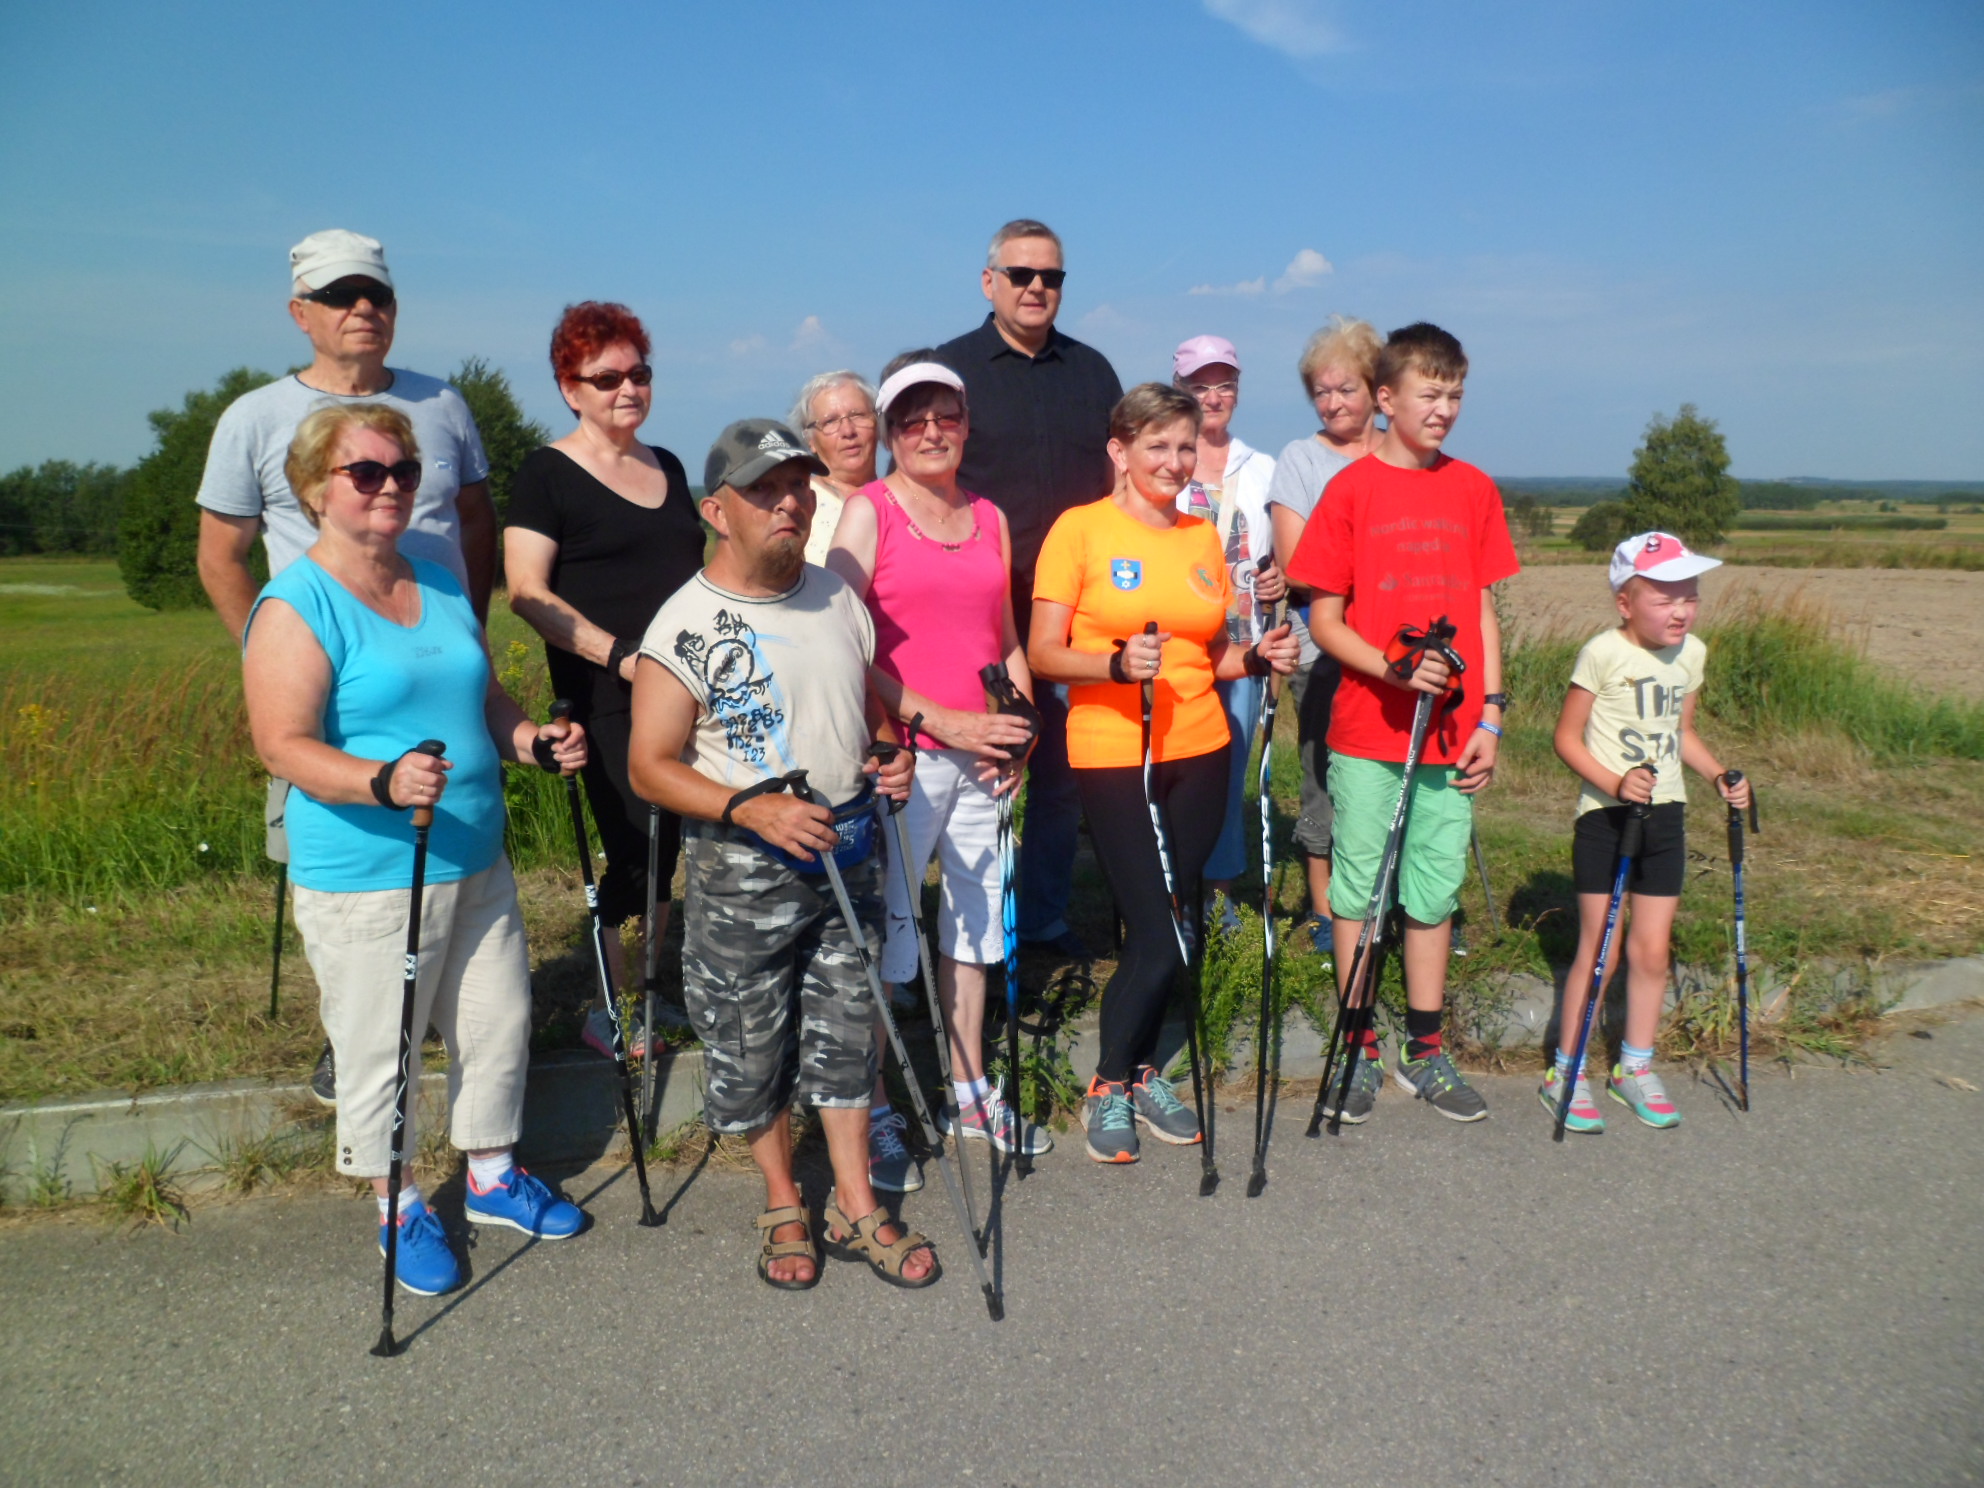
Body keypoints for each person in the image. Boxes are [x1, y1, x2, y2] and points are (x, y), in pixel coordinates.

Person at [241, 403, 586, 1297]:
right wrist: (380, 780)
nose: (390, 486)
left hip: (472, 849)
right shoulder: (295, 603)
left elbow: (481, 696)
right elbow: (282, 743)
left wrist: (531, 741)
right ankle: (395, 1205)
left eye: (403, 471)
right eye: (366, 472)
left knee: (495, 1021)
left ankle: (492, 1175)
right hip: (370, 871)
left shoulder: (434, 574)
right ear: (316, 488)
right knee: (378, 1046)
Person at [627, 419, 936, 1291]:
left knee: (846, 1034)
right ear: (716, 511)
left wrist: (889, 752)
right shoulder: (685, 624)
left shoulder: (835, 595)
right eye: (767, 489)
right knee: (749, 1042)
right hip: (745, 861)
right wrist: (746, 808)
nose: (791, 501)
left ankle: (852, 1202)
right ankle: (780, 1200)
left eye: (799, 485)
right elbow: (649, 766)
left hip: (849, 842)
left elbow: (864, 706)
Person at [196, 228, 497, 1108]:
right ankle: (356, 1042)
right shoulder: (253, 416)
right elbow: (222, 554)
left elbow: (475, 522)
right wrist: (271, 652)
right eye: (338, 297)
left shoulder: (443, 404)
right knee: (348, 867)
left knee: (458, 857)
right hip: (332, 681)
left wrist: (466, 637)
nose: (362, 310)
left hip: (435, 659)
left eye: (377, 295)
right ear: (301, 314)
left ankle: (456, 1034)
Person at [1028, 384, 1298, 1165]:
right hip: (1117, 750)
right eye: (1158, 447)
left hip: (1204, 747)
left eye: (1185, 447)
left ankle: (1146, 1071)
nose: (1175, 463)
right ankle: (1109, 1083)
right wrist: (1112, 663)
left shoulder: (1201, 536)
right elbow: (1045, 651)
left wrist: (1257, 656)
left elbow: (1207, 653)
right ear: (1119, 450)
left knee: (1181, 919)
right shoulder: (1078, 531)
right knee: (1155, 929)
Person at [824, 355, 1048, 1193]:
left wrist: (1019, 734)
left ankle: (967, 1092)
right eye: (911, 418)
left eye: (944, 415)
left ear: (964, 420)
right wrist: (929, 719)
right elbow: (844, 639)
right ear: (888, 431)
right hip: (902, 762)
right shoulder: (867, 510)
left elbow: (1008, 639)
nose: (930, 431)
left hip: (983, 764)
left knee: (974, 931)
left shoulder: (987, 516)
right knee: (888, 934)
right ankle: (876, 1105)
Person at [1285, 322, 1517, 1126]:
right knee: (1358, 889)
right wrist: (1389, 666)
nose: (1446, 409)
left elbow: (1484, 607)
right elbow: (1324, 617)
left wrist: (1491, 710)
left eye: (1456, 394)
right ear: (1386, 398)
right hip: (1366, 730)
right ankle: (1357, 1043)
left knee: (1433, 889)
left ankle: (1426, 1047)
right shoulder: (1350, 491)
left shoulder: (1474, 489)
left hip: (1453, 735)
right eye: (1431, 393)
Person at [505, 302, 703, 1059]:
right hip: (608, 693)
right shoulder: (546, 473)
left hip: (686, 689)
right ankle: (604, 1006)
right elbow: (526, 591)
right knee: (627, 844)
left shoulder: (670, 466)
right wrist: (617, 654)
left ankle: (653, 996)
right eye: (608, 376)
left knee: (667, 847)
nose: (628, 388)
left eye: (640, 373)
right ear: (570, 387)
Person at [935, 218, 1124, 959]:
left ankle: (1041, 919)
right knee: (969, 777)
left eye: (1052, 276)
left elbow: (1118, 482)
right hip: (982, 613)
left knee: (1061, 778)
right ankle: (957, 935)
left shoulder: (1093, 372)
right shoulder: (950, 373)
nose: (1038, 287)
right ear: (990, 283)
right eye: (1022, 275)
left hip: (1077, 616)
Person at [1546, 532, 1752, 1132]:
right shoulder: (1601, 653)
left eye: (1689, 594)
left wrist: (1718, 775)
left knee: (1653, 949)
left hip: (1666, 814)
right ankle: (1567, 1069)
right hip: (1607, 818)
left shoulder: (1692, 654)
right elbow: (1565, 738)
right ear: (1624, 602)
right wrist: (1614, 783)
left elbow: (1680, 731)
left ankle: (1633, 1066)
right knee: (1601, 950)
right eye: (1663, 597)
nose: (1680, 609)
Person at [1265, 316, 1388, 956]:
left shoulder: (1403, 453)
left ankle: (1395, 905)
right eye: (1322, 391)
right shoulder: (1301, 460)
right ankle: (1324, 910)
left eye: (1346, 388)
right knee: (1323, 776)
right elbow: (1297, 567)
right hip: (1324, 647)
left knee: (1397, 780)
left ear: (1376, 389)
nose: (1334, 403)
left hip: (1400, 652)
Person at [1170, 336, 1286, 930]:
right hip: (1176, 649)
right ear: (1180, 389)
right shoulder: (1166, 460)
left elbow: (1288, 553)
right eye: (1199, 385)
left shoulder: (1264, 468)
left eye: (1223, 385)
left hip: (1243, 650)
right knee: (1174, 772)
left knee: (1230, 772)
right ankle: (1172, 896)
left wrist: (1281, 579)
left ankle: (1216, 899)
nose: (1212, 397)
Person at [789, 371, 880, 566]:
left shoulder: (905, 499)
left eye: (857, 415)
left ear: (878, 423)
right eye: (830, 421)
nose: (848, 431)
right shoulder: (795, 504)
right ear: (810, 440)